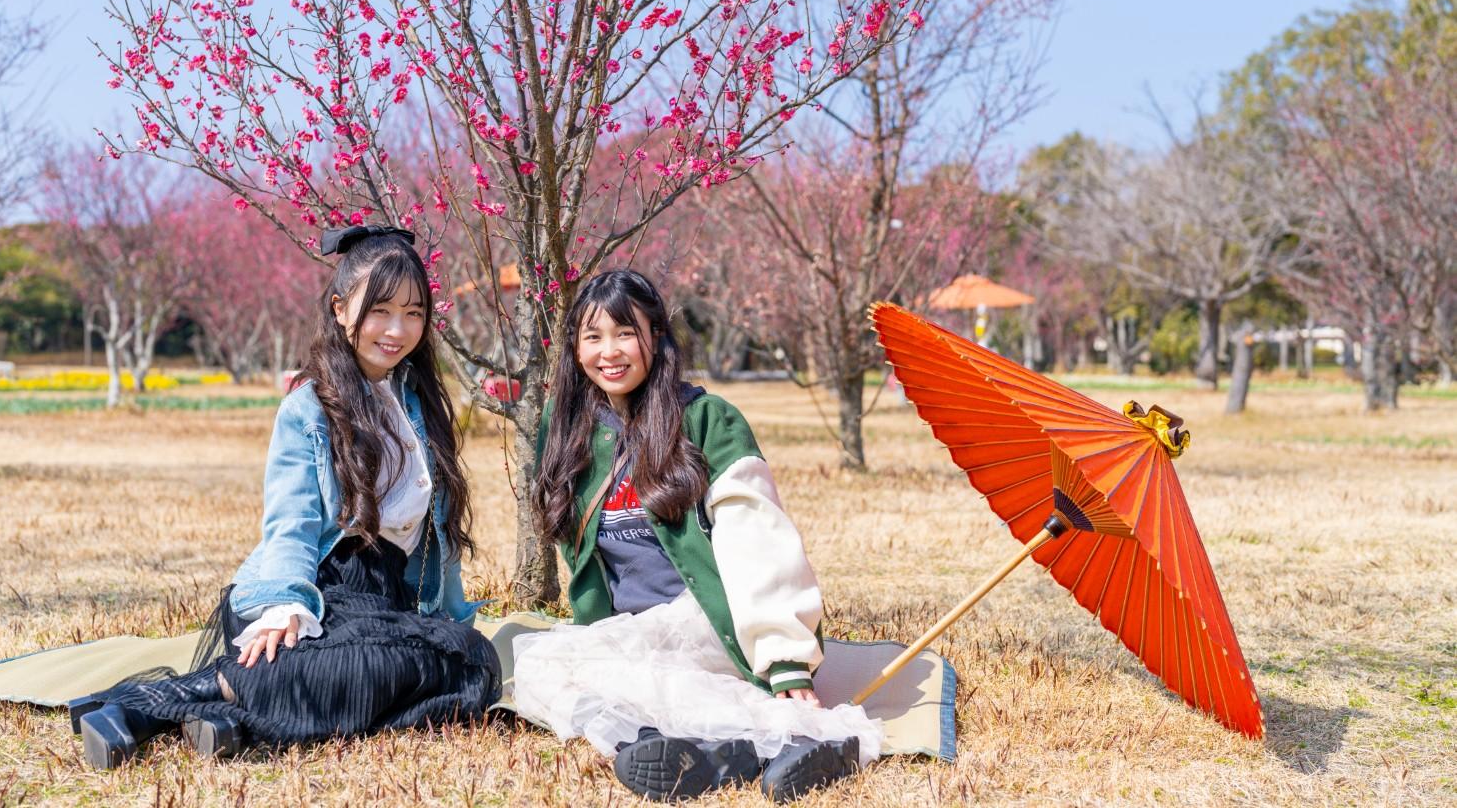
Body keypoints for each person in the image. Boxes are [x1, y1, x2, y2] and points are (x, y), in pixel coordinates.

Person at [71, 223, 500, 768]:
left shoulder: (419, 402)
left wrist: (452, 617)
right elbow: (291, 525)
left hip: (385, 602)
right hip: (320, 589)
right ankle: (144, 707)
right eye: (380, 310)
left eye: (414, 313)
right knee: (370, 667)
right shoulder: (308, 410)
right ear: (342, 309)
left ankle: (226, 717)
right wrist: (286, 607)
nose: (397, 329)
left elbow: (436, 531)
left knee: (472, 663)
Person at [514, 270, 881, 802]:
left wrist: (784, 659)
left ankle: (804, 739)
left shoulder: (707, 420)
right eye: (592, 337)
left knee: (662, 680)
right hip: (625, 629)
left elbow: (757, 539)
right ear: (574, 348)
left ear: (657, 336)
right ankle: (693, 751)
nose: (608, 352)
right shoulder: (568, 426)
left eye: (625, 333)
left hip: (702, 621)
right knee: (539, 667)